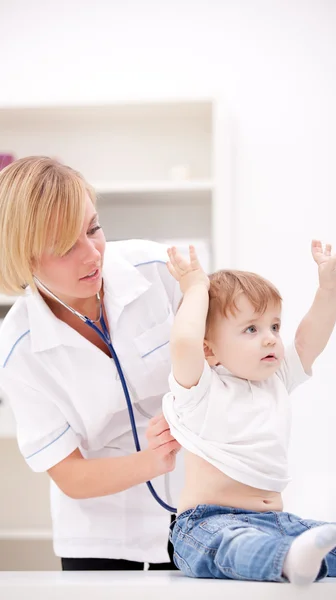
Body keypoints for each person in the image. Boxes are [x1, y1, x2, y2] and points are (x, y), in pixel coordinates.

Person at [162, 244, 336, 583]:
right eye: (251, 329)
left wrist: (329, 290)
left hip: (276, 522)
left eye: (274, 326)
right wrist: (196, 287)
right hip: (205, 523)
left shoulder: (275, 379)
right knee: (233, 544)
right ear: (209, 349)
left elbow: (307, 341)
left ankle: (302, 557)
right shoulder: (200, 390)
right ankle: (286, 560)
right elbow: (184, 342)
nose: (271, 339)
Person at [0, 156, 183, 571]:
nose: (92, 254)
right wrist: (153, 460)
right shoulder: (17, 350)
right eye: (66, 246)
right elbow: (71, 475)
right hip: (102, 539)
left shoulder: (158, 270)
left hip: (200, 517)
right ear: (24, 258)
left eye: (93, 228)